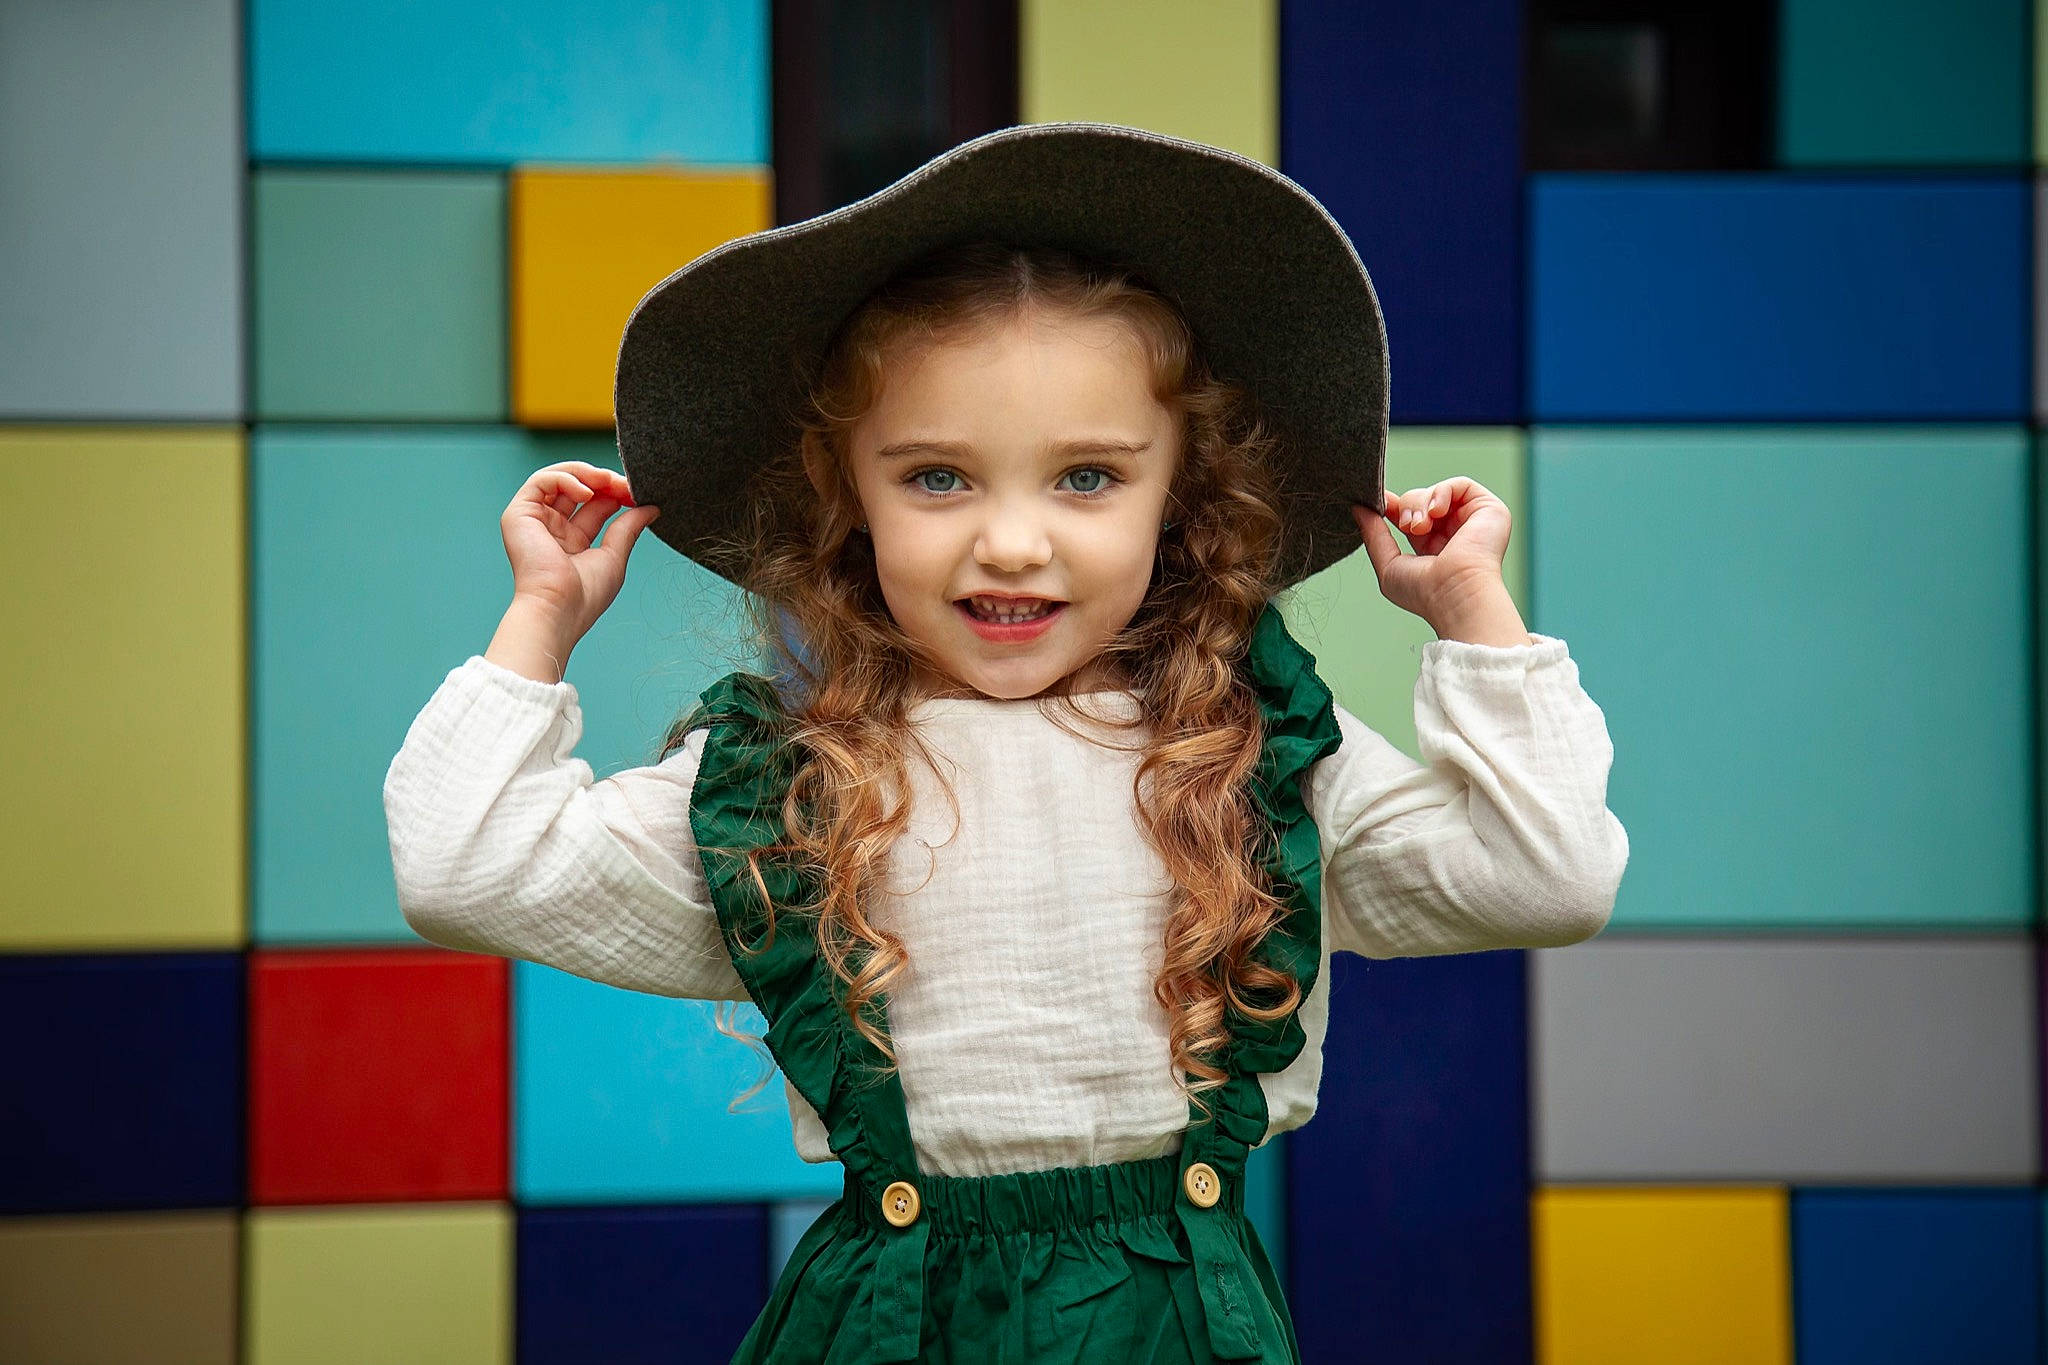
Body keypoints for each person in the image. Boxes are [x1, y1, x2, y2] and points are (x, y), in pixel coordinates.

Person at [383, 122, 1629, 1364]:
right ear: (847, 494)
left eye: (1086, 478)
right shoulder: (796, 781)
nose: (1013, 544)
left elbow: (1546, 876)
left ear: (1179, 493)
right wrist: (542, 619)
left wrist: (1473, 615)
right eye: (937, 478)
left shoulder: (1247, 752)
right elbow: (462, 870)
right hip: (892, 1332)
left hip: (1172, 1333)